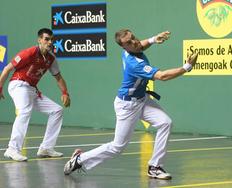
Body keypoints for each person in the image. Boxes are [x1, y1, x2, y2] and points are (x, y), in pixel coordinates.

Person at [63, 29, 198, 180]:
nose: (134, 42)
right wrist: (187, 67)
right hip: (127, 106)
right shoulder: (134, 64)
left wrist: (154, 38)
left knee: (165, 122)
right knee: (117, 147)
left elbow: (140, 45)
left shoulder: (132, 49)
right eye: (129, 42)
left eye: (133, 37)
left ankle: (155, 167)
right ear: (124, 47)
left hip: (142, 99)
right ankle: (79, 159)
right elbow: (163, 76)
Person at [0, 28, 71, 162]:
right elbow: (7, 68)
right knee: (24, 111)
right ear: (39, 40)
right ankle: (12, 149)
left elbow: (59, 77)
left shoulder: (51, 59)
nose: (50, 42)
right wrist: (0, 87)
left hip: (32, 90)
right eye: (46, 39)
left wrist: (65, 93)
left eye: (51, 40)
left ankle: (46, 148)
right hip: (18, 85)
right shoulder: (29, 53)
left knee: (57, 110)